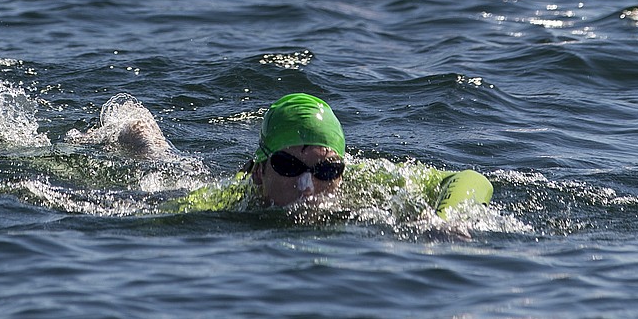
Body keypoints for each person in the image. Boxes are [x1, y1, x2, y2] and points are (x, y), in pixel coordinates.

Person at [110, 90, 492, 217]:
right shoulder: (221, 201)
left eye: (326, 170)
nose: (308, 185)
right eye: (289, 166)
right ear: (261, 171)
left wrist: (447, 219)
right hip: (196, 184)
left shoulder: (375, 184)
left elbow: (474, 180)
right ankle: (137, 129)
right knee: (162, 165)